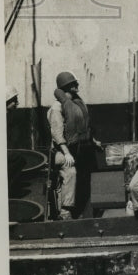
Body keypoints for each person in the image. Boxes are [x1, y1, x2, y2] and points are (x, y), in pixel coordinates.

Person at [48, 70, 101, 220]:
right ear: (66, 87)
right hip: (61, 151)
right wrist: (66, 153)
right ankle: (65, 211)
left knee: (86, 173)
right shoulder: (57, 108)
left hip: (78, 148)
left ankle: (86, 210)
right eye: (73, 84)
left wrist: (93, 141)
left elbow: (84, 127)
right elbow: (57, 134)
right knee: (70, 171)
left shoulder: (77, 104)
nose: (77, 85)